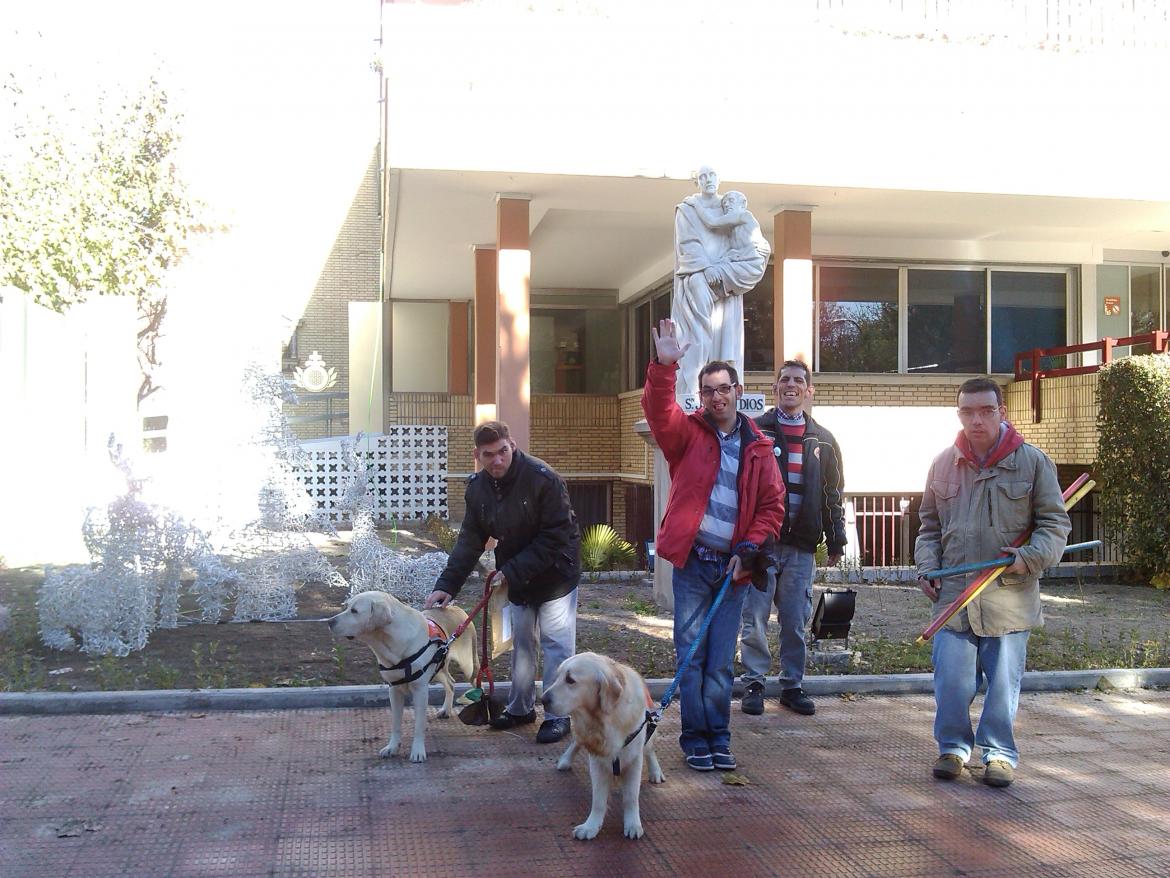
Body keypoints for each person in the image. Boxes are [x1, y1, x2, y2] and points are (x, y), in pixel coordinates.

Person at [642, 318, 785, 772]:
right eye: (708, 390)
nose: (716, 397)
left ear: (737, 390)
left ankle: (718, 737)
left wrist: (750, 548)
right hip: (692, 565)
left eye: (723, 389)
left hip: (733, 570)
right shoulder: (687, 435)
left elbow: (772, 507)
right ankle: (693, 738)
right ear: (700, 395)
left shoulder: (760, 447)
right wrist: (665, 366)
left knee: (721, 661)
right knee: (691, 655)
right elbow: (658, 413)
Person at [915, 377, 1070, 788]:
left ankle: (998, 754)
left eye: (986, 410)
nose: (976, 420)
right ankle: (952, 748)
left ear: (1003, 412)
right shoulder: (943, 463)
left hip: (1008, 598)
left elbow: (1055, 525)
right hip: (953, 598)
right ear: (959, 414)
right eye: (968, 411)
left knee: (1003, 684)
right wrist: (926, 567)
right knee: (951, 681)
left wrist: (1028, 557)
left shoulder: (1033, 463)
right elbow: (928, 527)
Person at [425, 420, 581, 744]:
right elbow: (470, 541)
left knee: (556, 648)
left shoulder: (543, 478)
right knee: (522, 645)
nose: (497, 461)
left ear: (512, 444)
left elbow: (556, 536)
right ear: (477, 456)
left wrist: (510, 571)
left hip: (556, 576)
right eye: (488, 455)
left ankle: (558, 716)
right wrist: (447, 585)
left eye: (502, 452)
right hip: (519, 580)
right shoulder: (477, 489)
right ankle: (521, 708)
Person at [739, 359, 846, 717]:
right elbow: (739, 485)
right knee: (753, 617)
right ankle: (753, 682)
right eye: (784, 379)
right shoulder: (754, 431)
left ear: (808, 390)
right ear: (775, 388)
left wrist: (836, 539)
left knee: (794, 620)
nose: (791, 385)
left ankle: (792, 685)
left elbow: (833, 494)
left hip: (801, 545)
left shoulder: (825, 441)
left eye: (798, 380)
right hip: (762, 543)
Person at [671, 166, 770, 400]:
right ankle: (695, 384)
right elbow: (688, 244)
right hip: (702, 274)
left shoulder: (731, 208)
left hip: (726, 282)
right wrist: (706, 266)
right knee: (697, 326)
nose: (708, 180)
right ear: (697, 181)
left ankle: (726, 386)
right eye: (702, 177)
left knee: (725, 338)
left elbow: (747, 243)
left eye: (712, 175)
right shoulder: (687, 209)